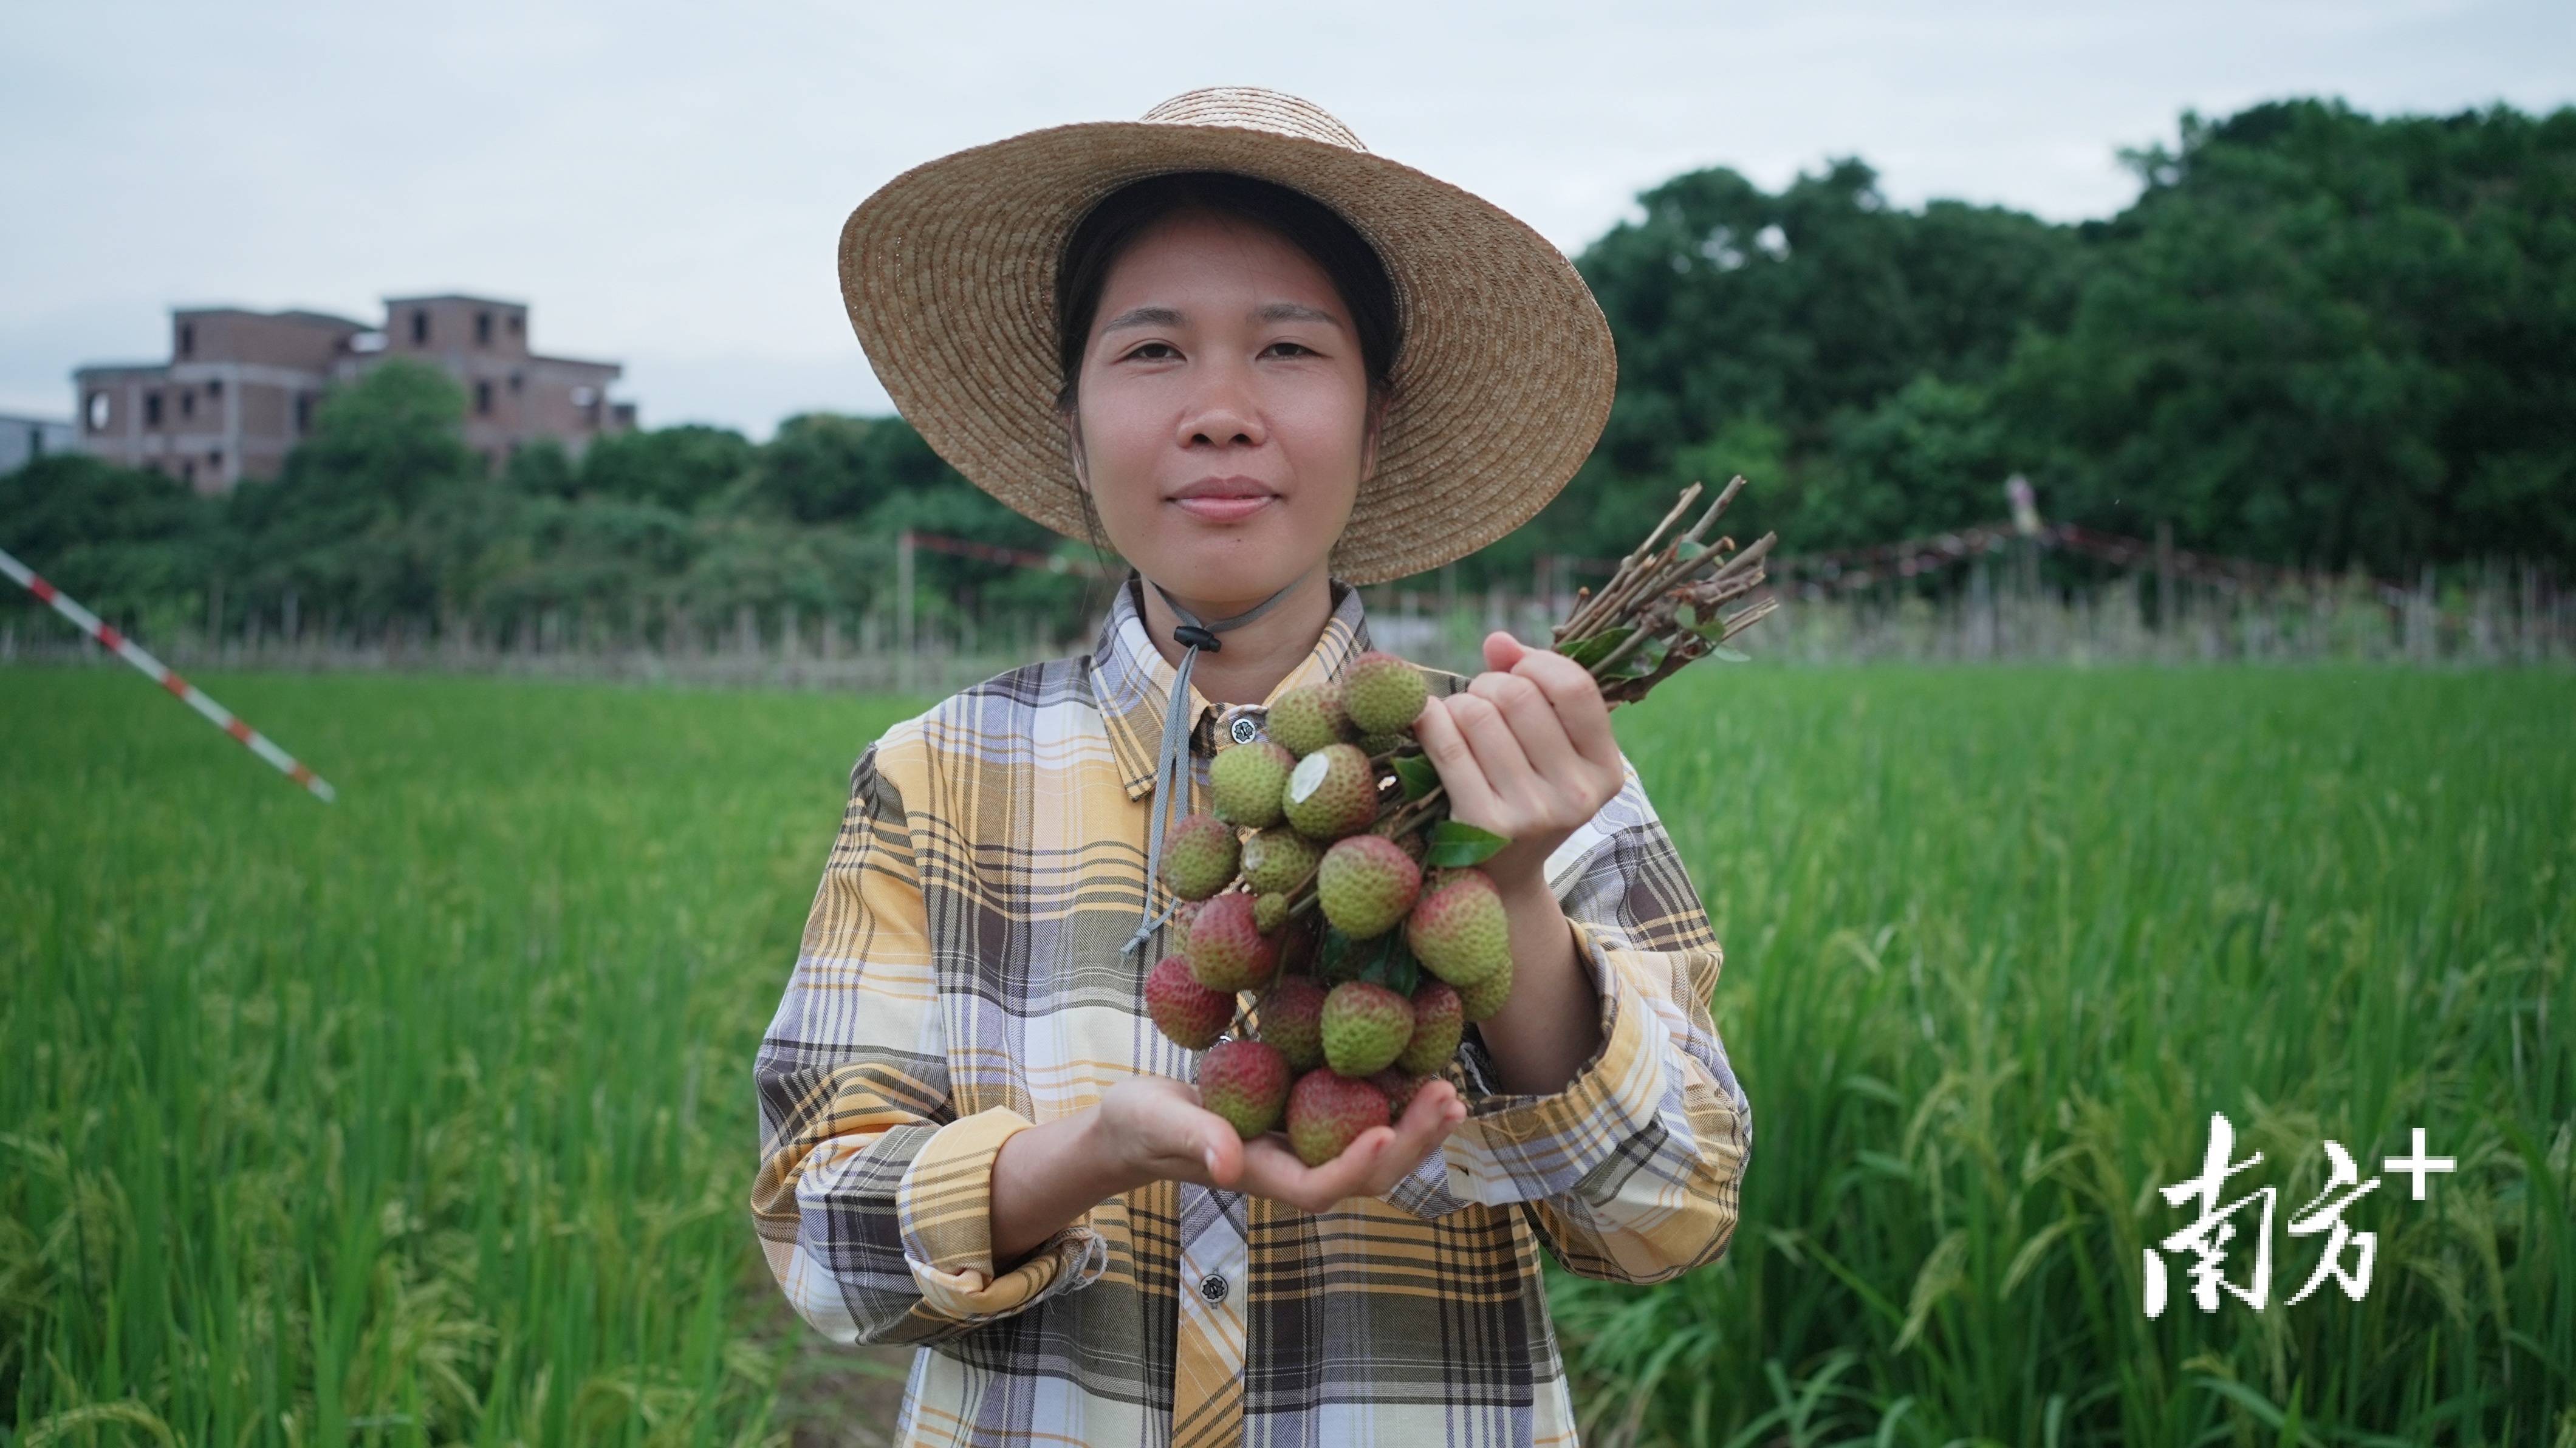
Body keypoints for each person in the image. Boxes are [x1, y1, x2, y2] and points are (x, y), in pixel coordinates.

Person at [752, 86, 1751, 1447]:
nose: (1219, 412)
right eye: (1152, 351)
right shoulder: (935, 776)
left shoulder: (1522, 770)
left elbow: (1672, 1210)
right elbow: (817, 1235)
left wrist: (1509, 902)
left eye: (1288, 349)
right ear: (1071, 417)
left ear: (1374, 417)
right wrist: (1078, 1157)